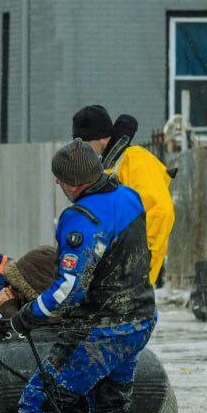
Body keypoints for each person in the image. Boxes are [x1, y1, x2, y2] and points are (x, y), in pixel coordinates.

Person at [10, 140, 157, 413]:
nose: (57, 185)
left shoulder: (80, 219)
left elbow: (68, 290)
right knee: (112, 404)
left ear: (73, 183)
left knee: (39, 400)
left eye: (59, 180)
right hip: (140, 319)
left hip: (101, 329)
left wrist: (26, 317)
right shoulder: (129, 197)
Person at [72, 105, 174, 285]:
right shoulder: (107, 166)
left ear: (101, 138)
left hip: (135, 274)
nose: (82, 150)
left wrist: (142, 259)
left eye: (84, 143)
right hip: (115, 273)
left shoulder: (135, 160)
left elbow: (161, 211)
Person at [0, 246, 58, 321]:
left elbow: (39, 330)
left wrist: (9, 310)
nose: (9, 292)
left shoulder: (64, 320)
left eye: (17, 289)